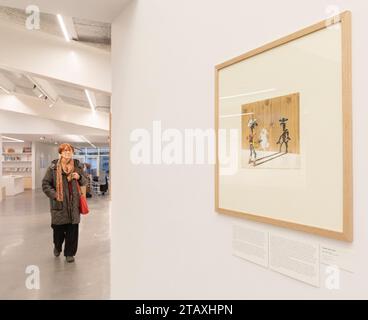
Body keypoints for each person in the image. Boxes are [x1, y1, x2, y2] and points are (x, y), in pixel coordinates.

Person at [42, 143, 88, 263]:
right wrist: (55, 195)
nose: (68, 153)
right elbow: (45, 184)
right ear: (60, 153)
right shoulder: (53, 168)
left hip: (74, 205)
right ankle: (57, 246)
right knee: (58, 231)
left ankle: (69, 253)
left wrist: (79, 177)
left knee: (72, 231)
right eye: (65, 151)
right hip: (59, 205)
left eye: (70, 151)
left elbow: (85, 181)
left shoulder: (77, 166)